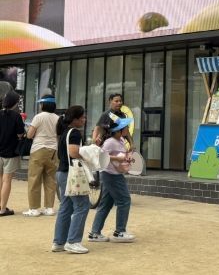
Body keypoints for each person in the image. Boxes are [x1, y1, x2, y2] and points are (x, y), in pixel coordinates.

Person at [88, 116, 136, 243]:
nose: (127, 129)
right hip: (112, 175)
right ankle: (120, 232)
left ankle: (95, 233)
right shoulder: (110, 142)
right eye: (126, 127)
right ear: (119, 130)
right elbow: (100, 156)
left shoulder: (120, 140)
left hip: (112, 174)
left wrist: (126, 157)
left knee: (106, 204)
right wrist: (118, 158)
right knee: (124, 200)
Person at [53, 106, 91, 253]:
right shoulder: (74, 133)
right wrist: (89, 155)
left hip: (62, 173)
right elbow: (74, 152)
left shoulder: (64, 132)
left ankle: (59, 242)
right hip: (72, 174)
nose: (84, 120)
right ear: (75, 119)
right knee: (82, 205)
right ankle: (73, 241)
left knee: (66, 207)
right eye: (83, 117)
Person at [23, 95, 60, 217]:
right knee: (51, 179)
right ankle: (49, 208)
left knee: (34, 178)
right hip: (53, 150)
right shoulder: (58, 118)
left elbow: (29, 135)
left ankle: (34, 209)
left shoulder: (38, 117)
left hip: (38, 149)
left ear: (43, 104)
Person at [0, 91, 25, 217]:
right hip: (10, 152)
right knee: (7, 180)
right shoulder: (16, 116)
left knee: (0, 179)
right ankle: (2, 209)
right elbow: (20, 134)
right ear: (15, 103)